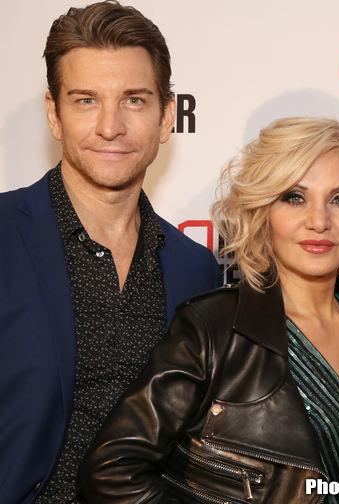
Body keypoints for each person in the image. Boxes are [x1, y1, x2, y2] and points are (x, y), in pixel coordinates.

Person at [76, 117, 339, 503]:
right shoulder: (216, 328)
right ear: (262, 210)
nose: (320, 221)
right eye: (295, 197)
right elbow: (110, 471)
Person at [0, 3, 219, 504]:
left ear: (166, 117)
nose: (110, 126)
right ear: (54, 114)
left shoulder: (196, 268)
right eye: (85, 100)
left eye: (134, 101)